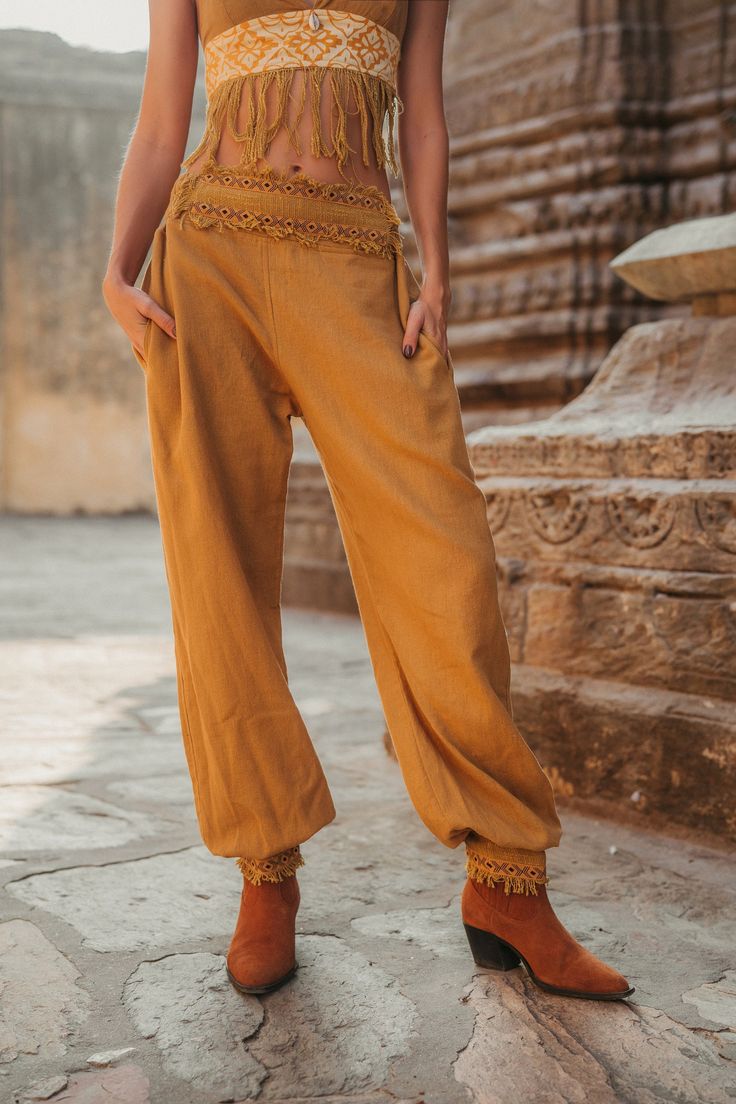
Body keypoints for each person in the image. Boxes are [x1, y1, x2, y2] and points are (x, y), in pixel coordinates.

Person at [103, 0, 633, 1003]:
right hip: (209, 262)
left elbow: (422, 116)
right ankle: (266, 875)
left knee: (446, 562)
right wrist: (115, 269)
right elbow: (161, 122)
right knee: (216, 570)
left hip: (358, 260)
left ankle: (506, 882)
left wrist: (435, 270)